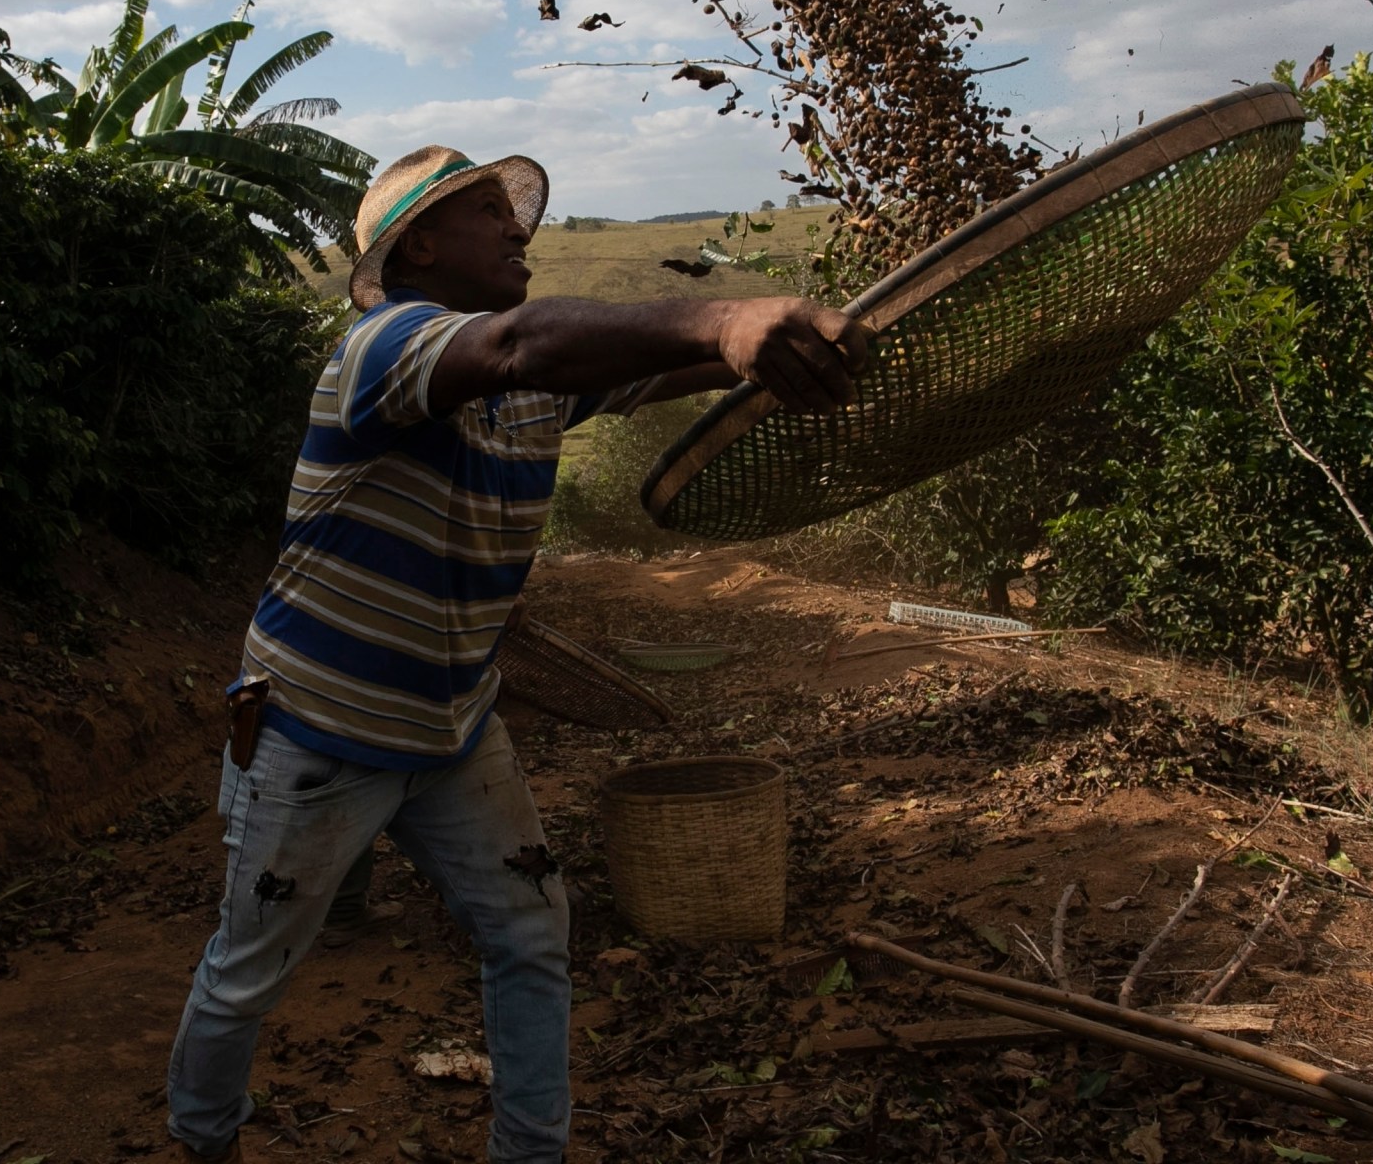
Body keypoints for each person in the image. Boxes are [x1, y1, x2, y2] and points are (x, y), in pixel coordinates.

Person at [166, 145, 869, 1163]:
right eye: (489, 213)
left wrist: (760, 345)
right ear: (418, 246)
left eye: (515, 214)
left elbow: (617, 366)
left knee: (533, 936)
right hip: (320, 732)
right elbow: (522, 345)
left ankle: (531, 1151)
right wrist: (723, 314)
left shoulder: (529, 386)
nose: (518, 230)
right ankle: (203, 1143)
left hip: (453, 728)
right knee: (249, 970)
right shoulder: (382, 350)